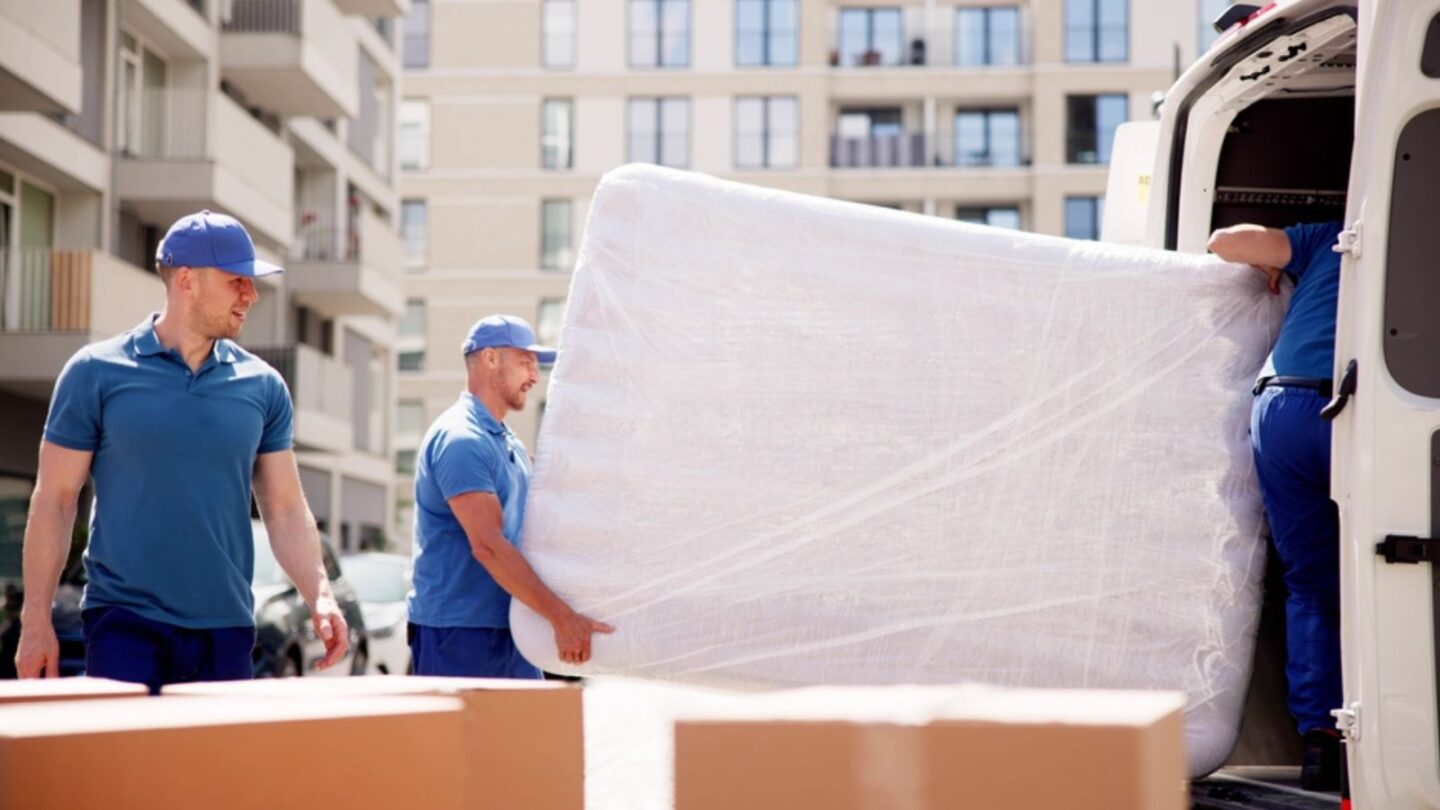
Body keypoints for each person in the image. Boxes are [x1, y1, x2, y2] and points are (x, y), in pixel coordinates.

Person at [14, 210, 348, 692]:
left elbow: (284, 507)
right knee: (127, 768)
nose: (250, 295)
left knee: (217, 770)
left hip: (226, 631)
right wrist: (35, 620)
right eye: (238, 281)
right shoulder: (95, 373)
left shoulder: (263, 386)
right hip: (125, 624)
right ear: (187, 280)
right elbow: (55, 499)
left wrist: (319, 594)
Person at [1209, 220, 1344, 790]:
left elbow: (1224, 242)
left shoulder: (1331, 236)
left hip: (1284, 405)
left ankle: (1321, 742)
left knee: (1310, 581)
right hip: (1356, 405)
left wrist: (1274, 261)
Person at [407, 314, 612, 678]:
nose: (534, 376)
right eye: (525, 362)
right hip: (459, 633)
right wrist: (563, 618)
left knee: (522, 737)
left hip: (511, 627)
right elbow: (488, 545)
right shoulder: (462, 440)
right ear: (490, 359)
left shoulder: (506, 442)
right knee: (468, 738)